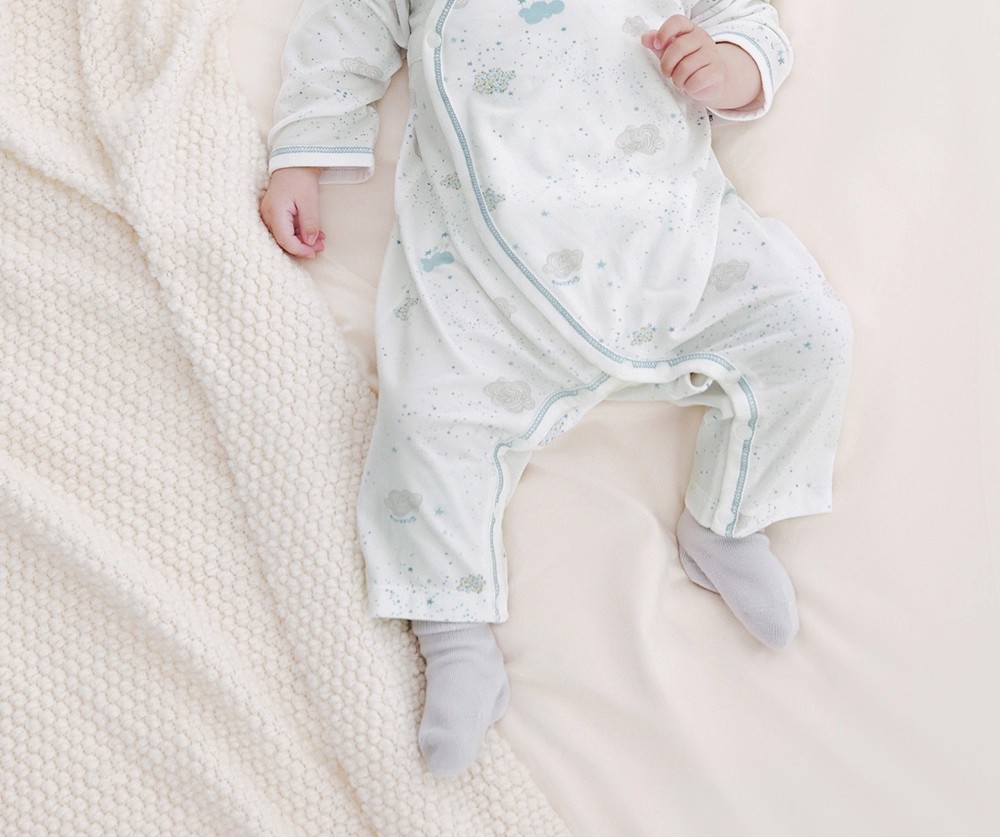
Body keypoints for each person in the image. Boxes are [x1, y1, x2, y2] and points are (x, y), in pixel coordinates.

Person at [260, 0, 852, 777]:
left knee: (807, 328)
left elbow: (747, 20)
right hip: (489, 269)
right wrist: (298, 158)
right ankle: (454, 633)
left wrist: (728, 67)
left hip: (663, 231)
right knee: (426, 417)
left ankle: (730, 519)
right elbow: (346, 25)